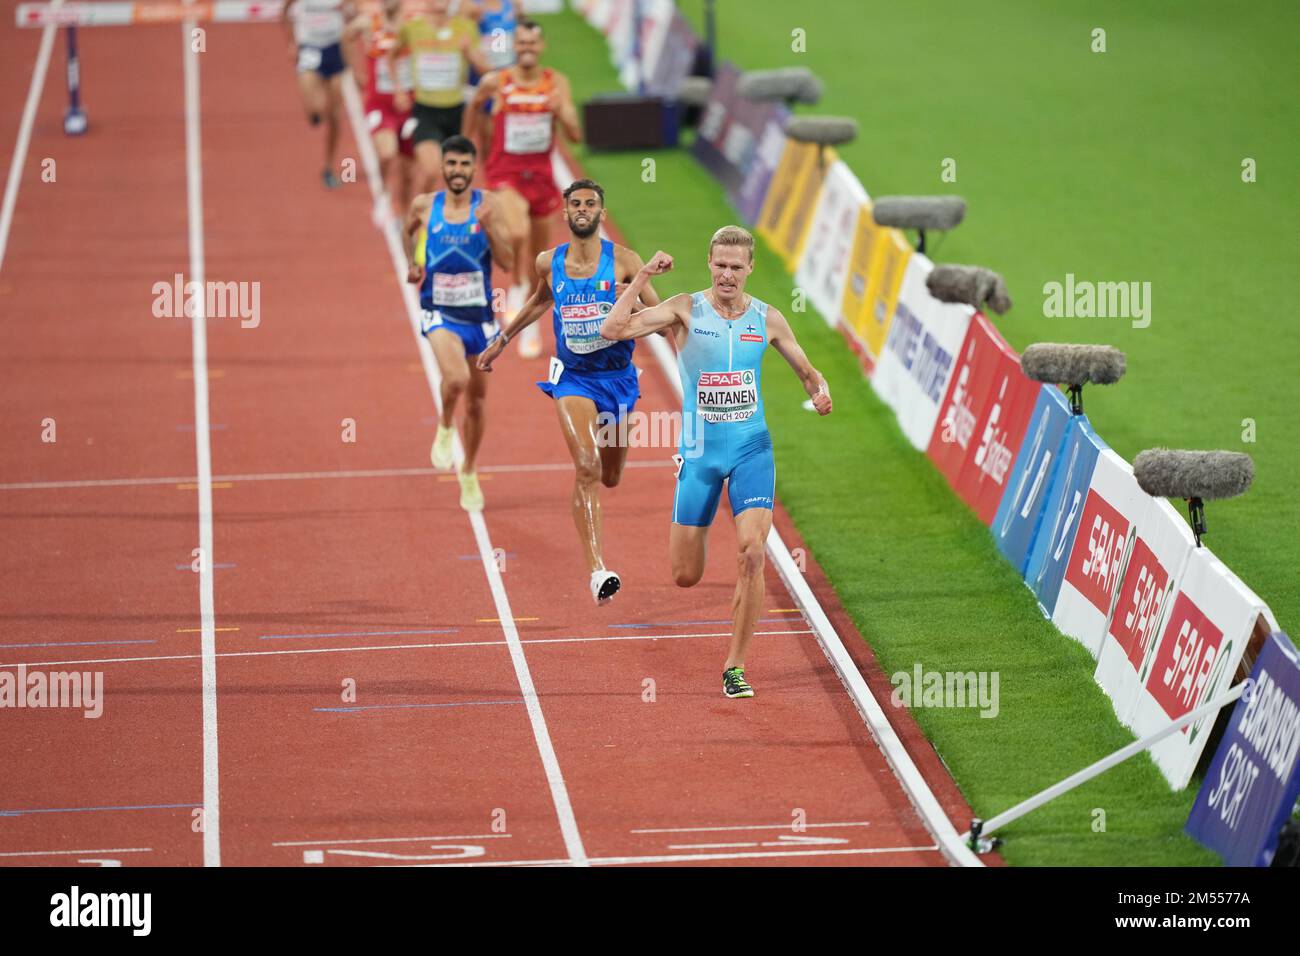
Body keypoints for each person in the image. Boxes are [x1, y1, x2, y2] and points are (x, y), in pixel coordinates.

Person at [598, 226, 833, 699]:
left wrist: (820, 391)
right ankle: (695, 533)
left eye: (735, 266)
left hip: (752, 450)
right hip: (700, 455)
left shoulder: (768, 319)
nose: (727, 274)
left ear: (750, 269)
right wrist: (642, 274)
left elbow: (808, 372)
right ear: (709, 262)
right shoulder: (685, 309)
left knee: (752, 553)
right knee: (686, 575)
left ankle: (735, 667)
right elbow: (612, 329)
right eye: (720, 264)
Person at [476, 180, 661, 604]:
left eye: (590, 203)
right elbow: (540, 302)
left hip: (617, 379)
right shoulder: (549, 262)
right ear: (565, 212)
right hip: (572, 378)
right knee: (586, 467)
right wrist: (502, 340)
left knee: (609, 477)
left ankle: (590, 498)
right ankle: (597, 570)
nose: (582, 209)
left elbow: (660, 316)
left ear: (601, 211)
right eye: (575, 203)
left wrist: (629, 300)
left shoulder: (625, 262)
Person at [405, 136, 514, 511]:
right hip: (439, 312)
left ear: (473, 168)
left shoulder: (488, 206)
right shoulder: (424, 205)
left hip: (480, 319)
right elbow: (408, 232)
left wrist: (489, 229)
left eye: (464, 165)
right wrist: (414, 264)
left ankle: (468, 470)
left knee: (479, 402)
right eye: (451, 164)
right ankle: (446, 425)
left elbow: (508, 261)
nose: (457, 171)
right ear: (443, 167)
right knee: (456, 380)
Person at [465, 18, 581, 360]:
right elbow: (473, 107)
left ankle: (529, 321)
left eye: (533, 43)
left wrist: (563, 112)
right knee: (515, 231)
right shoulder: (496, 82)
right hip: (506, 173)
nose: (527, 48)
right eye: (522, 43)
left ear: (541, 47)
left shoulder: (556, 83)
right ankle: (514, 287)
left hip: (542, 177)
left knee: (539, 259)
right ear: (514, 47)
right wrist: (467, 148)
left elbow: (575, 134)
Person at [391, 0, 488, 193]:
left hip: (458, 112)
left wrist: (469, 53)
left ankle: (443, 217)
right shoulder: (412, 28)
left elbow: (486, 70)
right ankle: (419, 215)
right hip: (425, 111)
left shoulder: (466, 27)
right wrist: (398, 89)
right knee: (431, 170)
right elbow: (391, 55)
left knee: (457, 177)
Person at [345, 0, 416, 222]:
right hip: (380, 105)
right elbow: (346, 36)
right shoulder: (369, 23)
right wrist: (356, 71)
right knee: (386, 152)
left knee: (408, 170)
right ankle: (383, 195)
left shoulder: (413, 25)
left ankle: (404, 213)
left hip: (409, 106)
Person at [284, 0, 356, 188]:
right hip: (310, 48)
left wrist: (348, 13)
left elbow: (353, 13)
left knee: (334, 116)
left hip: (334, 48)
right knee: (314, 108)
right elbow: (285, 10)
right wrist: (291, 40)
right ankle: (315, 114)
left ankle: (329, 167)